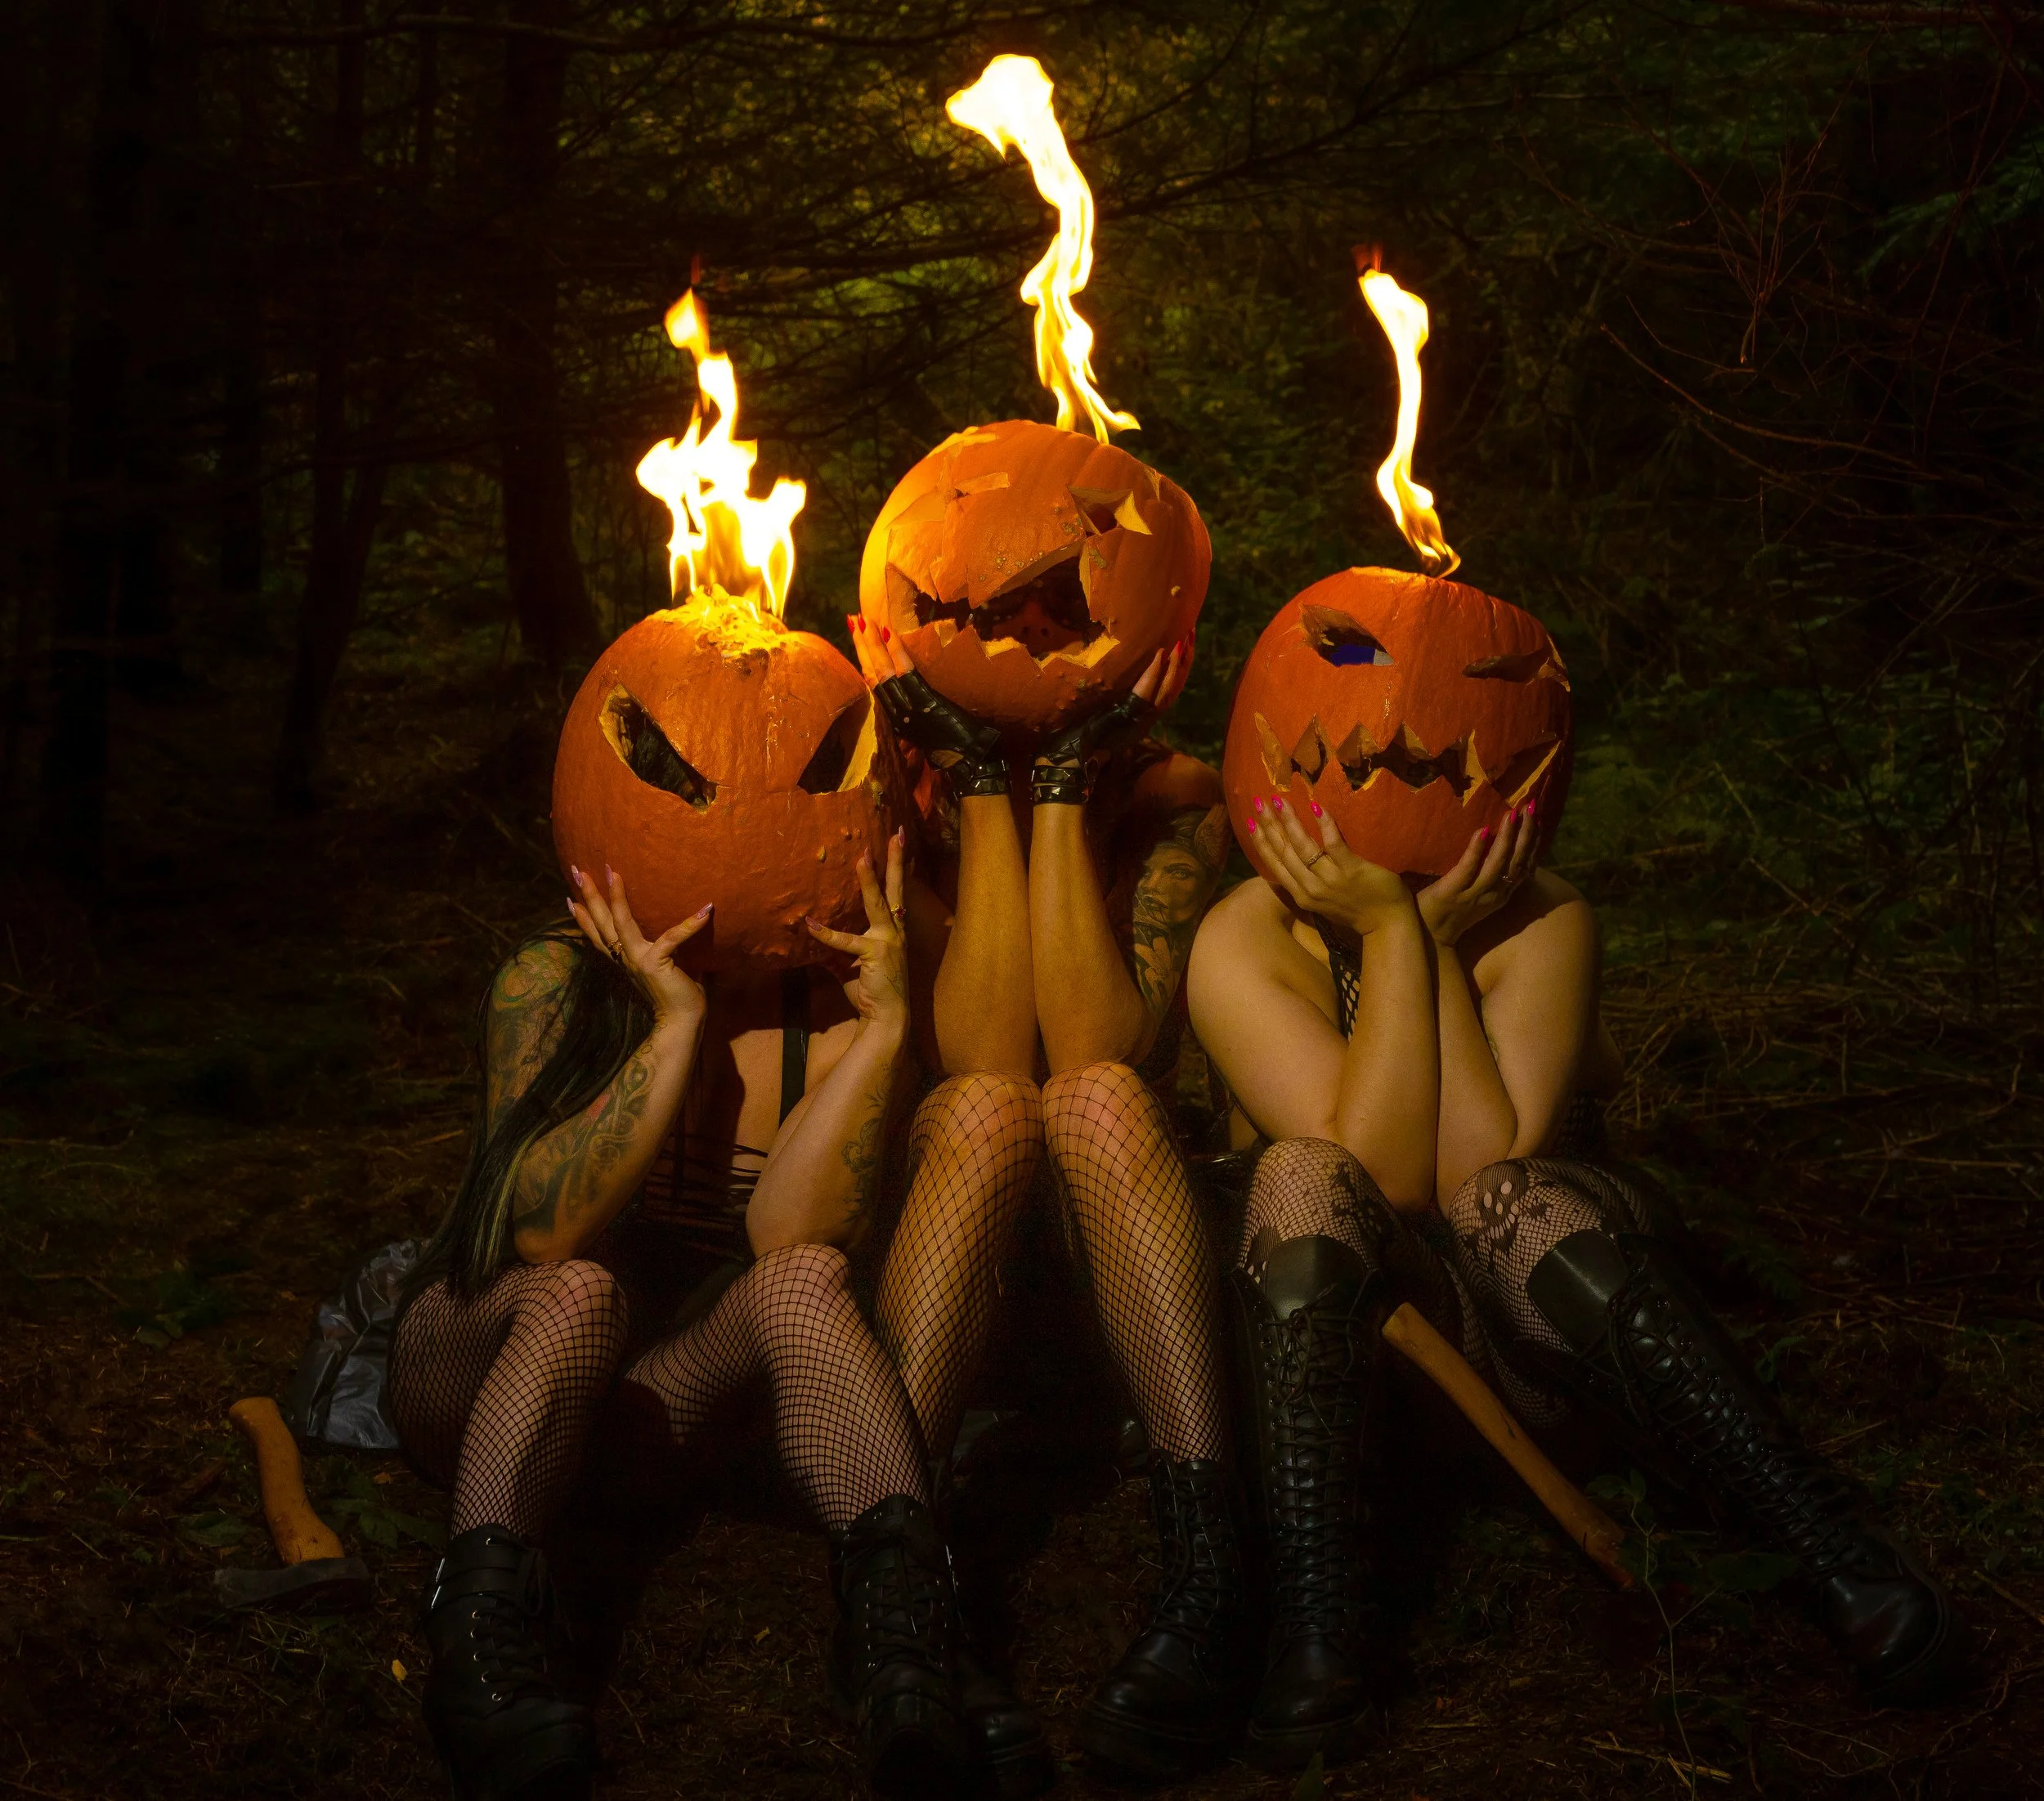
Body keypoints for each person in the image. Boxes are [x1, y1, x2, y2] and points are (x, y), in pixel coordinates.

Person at [1187, 789, 1966, 1768]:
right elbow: (1377, 1179)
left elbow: (1469, 1165)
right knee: (1302, 1173)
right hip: (1382, 1371)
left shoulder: (1544, 914)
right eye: (1352, 745)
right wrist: (1389, 927)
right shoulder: (1244, 933)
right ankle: (1313, 1624)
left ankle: (1827, 1543)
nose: (1386, 765)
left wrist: (1418, 941)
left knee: (1504, 1201)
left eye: (1426, 753)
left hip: (1545, 1348)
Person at [388, 838, 971, 1801]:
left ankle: (908, 1649)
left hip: (650, 1403)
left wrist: (881, 1033)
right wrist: (672, 1027)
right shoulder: (552, 977)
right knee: (580, 1289)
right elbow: (540, 1233)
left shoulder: (835, 1003)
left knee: (808, 1279)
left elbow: (789, 1235)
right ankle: (477, 1658)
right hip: (485, 1356)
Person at [849, 617, 1245, 1784]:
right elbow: (981, 1052)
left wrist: (1066, 789)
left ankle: (1211, 1571)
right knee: (990, 1108)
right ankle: (904, 1596)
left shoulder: (1176, 804)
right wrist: (978, 786)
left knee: (1098, 1094)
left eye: (1060, 638)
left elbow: (1089, 1041)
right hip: (942, 1230)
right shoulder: (890, 806)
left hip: (1116, 1238)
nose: (1030, 666)